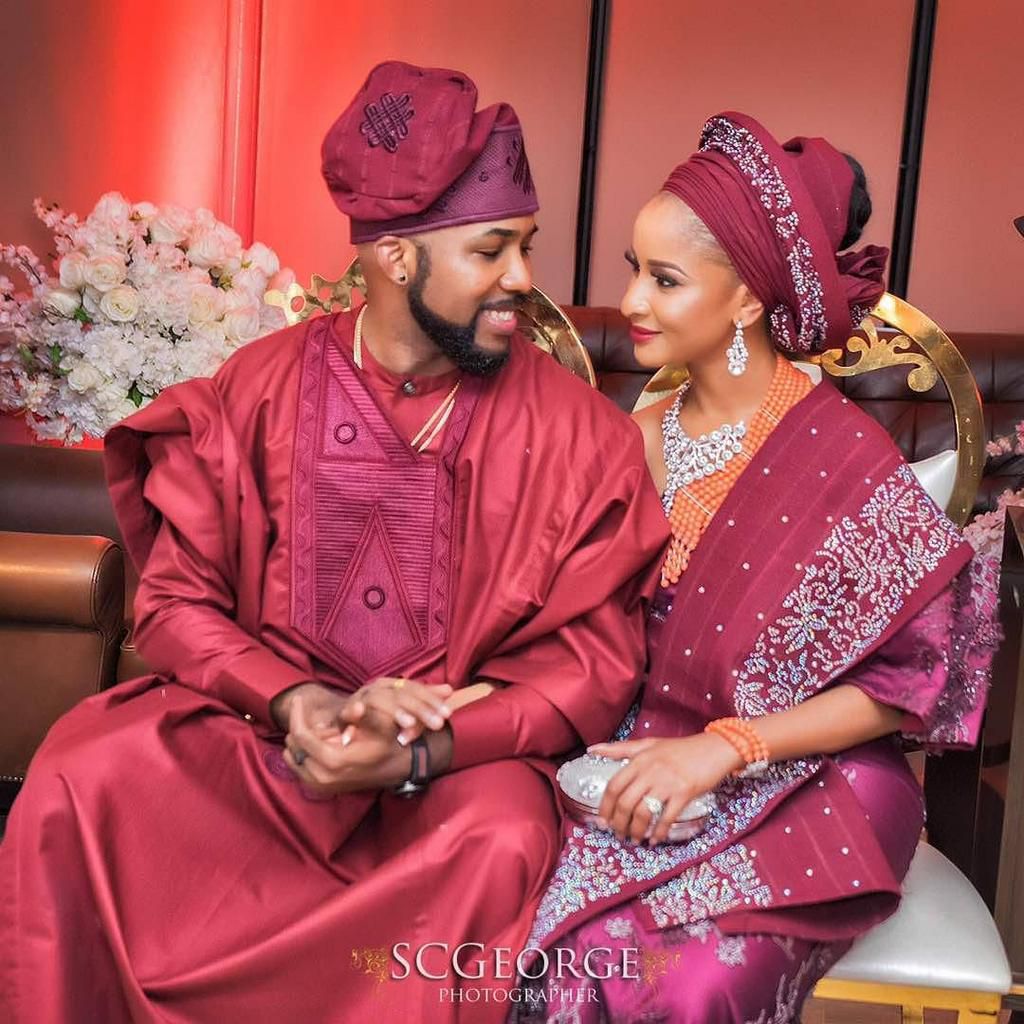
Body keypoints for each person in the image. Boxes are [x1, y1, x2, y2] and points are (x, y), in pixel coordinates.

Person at [0, 62, 668, 1023]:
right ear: (397, 259)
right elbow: (176, 604)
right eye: (493, 251)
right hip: (263, 744)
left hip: (447, 774)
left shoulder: (580, 435)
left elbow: (594, 666)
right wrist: (296, 699)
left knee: (503, 836)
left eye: (525, 247)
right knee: (85, 769)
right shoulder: (256, 392)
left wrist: (419, 751)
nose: (524, 279)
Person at [517, 112, 999, 1023]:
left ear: (745, 300)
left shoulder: (841, 454)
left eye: (664, 279)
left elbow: (908, 684)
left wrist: (726, 747)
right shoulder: (633, 440)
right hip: (643, 757)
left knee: (689, 983)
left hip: (822, 776)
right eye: (632, 267)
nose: (632, 301)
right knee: (530, 942)